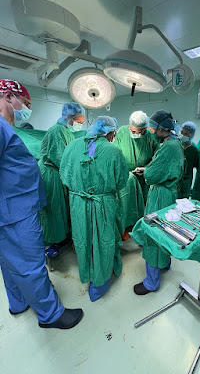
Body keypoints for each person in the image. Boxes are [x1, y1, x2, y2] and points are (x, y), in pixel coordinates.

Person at [0, 79, 83, 329]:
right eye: (24, 103)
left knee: (9, 261)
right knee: (30, 265)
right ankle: (50, 314)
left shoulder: (6, 127)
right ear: (7, 96)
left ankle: (18, 302)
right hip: (16, 212)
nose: (25, 109)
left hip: (10, 210)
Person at [60, 116, 129, 302]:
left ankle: (88, 274)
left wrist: (80, 188)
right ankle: (99, 283)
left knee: (83, 240)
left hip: (78, 204)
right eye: (113, 134)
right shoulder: (113, 151)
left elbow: (64, 175)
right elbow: (122, 180)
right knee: (103, 241)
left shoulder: (72, 146)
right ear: (110, 132)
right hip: (102, 205)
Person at [133, 110, 185, 295]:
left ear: (163, 128)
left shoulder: (168, 147)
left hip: (161, 195)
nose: (151, 132)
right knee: (166, 231)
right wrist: (147, 168)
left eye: (153, 128)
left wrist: (147, 172)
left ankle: (151, 282)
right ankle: (165, 264)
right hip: (169, 192)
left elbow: (155, 174)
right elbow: (164, 167)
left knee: (154, 234)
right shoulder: (174, 142)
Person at [39, 103, 85, 258]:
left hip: (60, 173)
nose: (80, 124)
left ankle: (60, 237)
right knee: (53, 209)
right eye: (79, 120)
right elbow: (59, 158)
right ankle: (49, 243)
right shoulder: (56, 131)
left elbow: (71, 153)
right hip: (51, 173)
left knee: (61, 207)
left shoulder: (67, 131)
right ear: (69, 116)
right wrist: (76, 175)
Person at [114, 111, 158, 239]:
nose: (136, 134)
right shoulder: (122, 132)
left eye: (139, 131)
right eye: (133, 131)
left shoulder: (151, 136)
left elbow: (157, 158)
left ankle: (140, 228)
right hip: (126, 177)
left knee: (142, 203)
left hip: (144, 178)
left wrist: (146, 168)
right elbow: (115, 154)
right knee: (126, 203)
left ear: (145, 128)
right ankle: (127, 228)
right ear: (129, 127)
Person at [178, 121, 200, 199]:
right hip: (174, 177)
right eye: (182, 132)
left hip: (186, 180)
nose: (183, 135)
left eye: (186, 134)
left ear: (191, 135)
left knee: (183, 201)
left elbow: (197, 165)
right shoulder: (176, 144)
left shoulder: (195, 150)